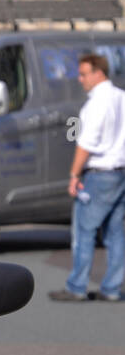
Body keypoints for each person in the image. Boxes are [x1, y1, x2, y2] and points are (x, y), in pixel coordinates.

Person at [51, 52, 125, 302]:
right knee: (116, 233)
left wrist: (74, 174)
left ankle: (77, 286)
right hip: (120, 172)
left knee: (84, 231)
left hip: (99, 173)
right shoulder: (121, 97)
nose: (80, 79)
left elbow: (86, 144)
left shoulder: (96, 104)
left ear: (98, 73)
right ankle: (112, 288)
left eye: (83, 74)